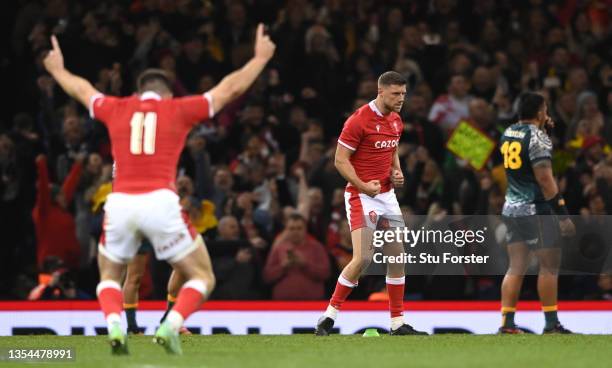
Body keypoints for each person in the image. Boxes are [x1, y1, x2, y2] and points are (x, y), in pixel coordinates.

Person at [42, 24, 275, 355]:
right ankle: (171, 322)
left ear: (138, 93)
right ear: (167, 94)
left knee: (109, 275)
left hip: (119, 202)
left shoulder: (116, 107)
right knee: (201, 277)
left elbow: (81, 90)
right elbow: (228, 90)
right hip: (161, 202)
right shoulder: (177, 109)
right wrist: (260, 58)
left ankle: (114, 326)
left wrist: (57, 69)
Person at [315, 71, 427, 336]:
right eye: (396, 94)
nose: (401, 99)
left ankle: (397, 323)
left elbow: (392, 150)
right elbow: (340, 160)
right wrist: (364, 186)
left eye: (403, 94)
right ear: (381, 92)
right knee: (364, 257)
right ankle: (328, 315)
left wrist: (396, 171)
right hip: (361, 194)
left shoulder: (396, 121)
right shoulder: (358, 120)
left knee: (397, 257)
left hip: (386, 195)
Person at [498, 92, 576, 334]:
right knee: (549, 265)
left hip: (511, 208)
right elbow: (545, 179)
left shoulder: (508, 132)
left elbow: (524, 161)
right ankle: (551, 324)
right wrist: (562, 214)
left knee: (516, 266)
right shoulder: (538, 138)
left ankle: (507, 324)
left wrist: (545, 132)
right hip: (535, 209)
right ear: (541, 112)